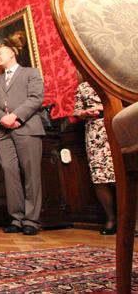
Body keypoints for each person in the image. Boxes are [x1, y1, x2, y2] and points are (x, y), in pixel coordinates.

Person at [0, 44, 45, 235]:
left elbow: (36, 98)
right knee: (9, 173)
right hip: (3, 132)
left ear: (12, 54)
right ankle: (17, 218)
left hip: (27, 128)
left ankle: (31, 220)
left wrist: (16, 116)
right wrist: (3, 118)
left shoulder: (31, 73)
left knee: (31, 173)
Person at [74, 75, 117, 235]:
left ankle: (132, 219)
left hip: (114, 125)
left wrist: (105, 108)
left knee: (122, 174)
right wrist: (86, 112)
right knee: (99, 176)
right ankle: (111, 218)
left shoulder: (110, 80)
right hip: (94, 132)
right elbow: (76, 112)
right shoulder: (83, 87)